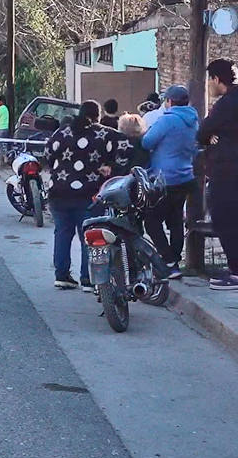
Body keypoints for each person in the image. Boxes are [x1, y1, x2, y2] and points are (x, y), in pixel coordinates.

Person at [44, 100, 129, 291]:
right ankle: (88, 278)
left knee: (62, 232)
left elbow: (47, 153)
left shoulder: (62, 132)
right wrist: (112, 168)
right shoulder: (105, 134)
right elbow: (126, 146)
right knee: (89, 236)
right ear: (97, 116)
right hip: (89, 193)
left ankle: (62, 275)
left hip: (59, 192)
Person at [141, 85, 198, 279]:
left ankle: (168, 261)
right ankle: (174, 261)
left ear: (169, 102)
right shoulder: (193, 120)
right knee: (175, 221)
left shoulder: (167, 120)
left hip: (165, 179)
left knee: (152, 221)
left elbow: (147, 142)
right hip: (186, 177)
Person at [197, 59, 238, 290]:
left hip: (228, 171)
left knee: (226, 219)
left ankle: (235, 272)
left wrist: (213, 138)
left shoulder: (225, 104)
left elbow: (202, 133)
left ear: (215, 79)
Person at [0, 94, 11, 165]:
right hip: (5, 128)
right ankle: (4, 159)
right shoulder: (5, 108)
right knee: (4, 145)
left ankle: (0, 161)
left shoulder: (0, 109)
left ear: (1, 101)